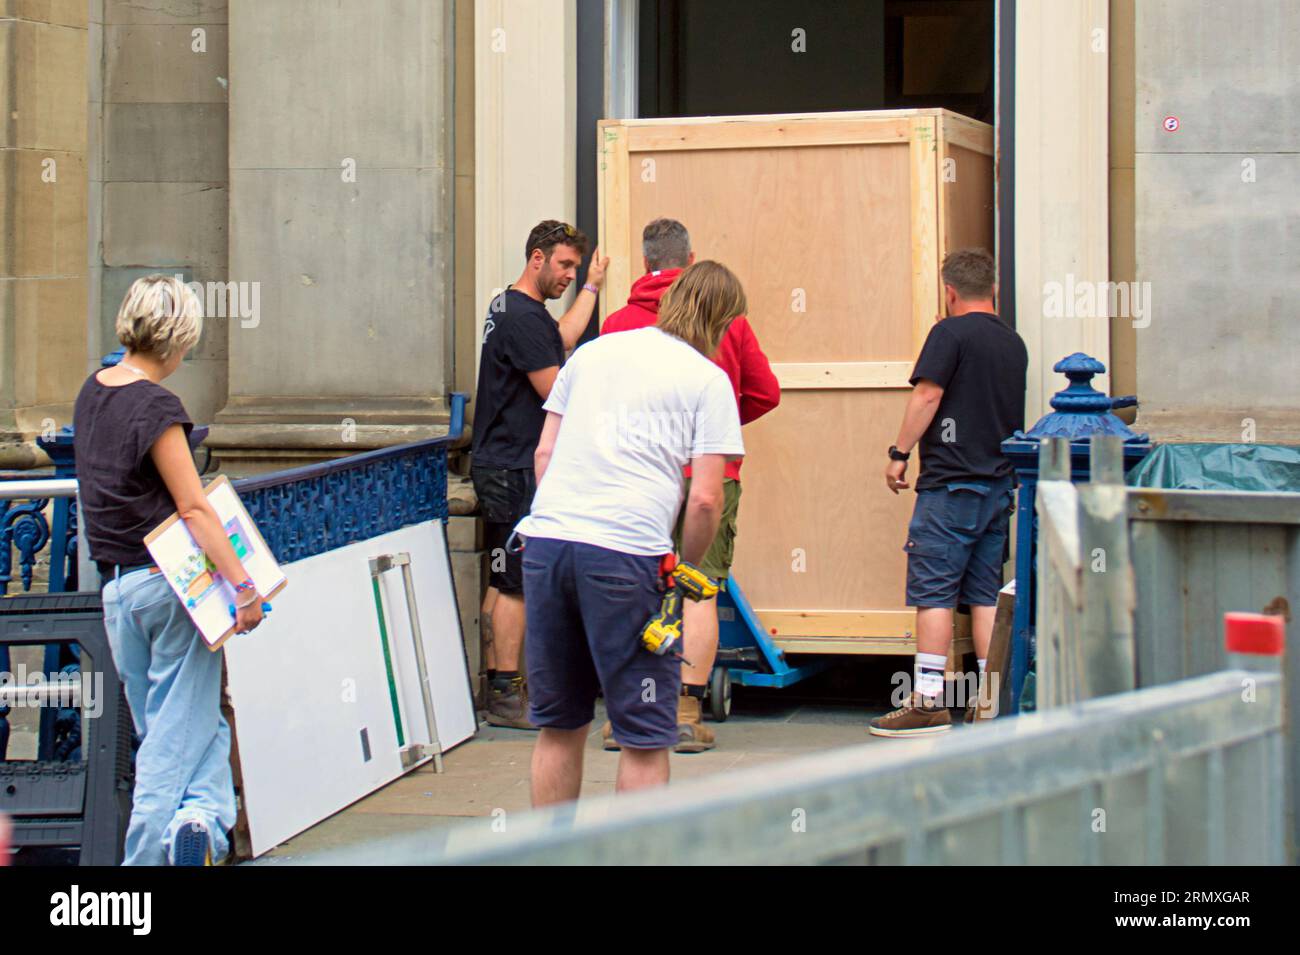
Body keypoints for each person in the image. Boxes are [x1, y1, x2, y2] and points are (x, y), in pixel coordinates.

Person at [514, 260, 746, 804]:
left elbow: (544, 452)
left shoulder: (593, 353)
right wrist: (684, 565)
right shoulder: (707, 380)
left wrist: (563, 516)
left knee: (560, 724)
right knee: (643, 736)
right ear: (724, 322)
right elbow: (707, 498)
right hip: (626, 554)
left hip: (547, 544)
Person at [73, 275, 266, 864]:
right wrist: (246, 586)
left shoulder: (92, 391)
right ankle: (140, 868)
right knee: (167, 743)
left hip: (119, 592)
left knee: (188, 723)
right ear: (178, 337)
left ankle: (202, 827)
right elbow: (194, 508)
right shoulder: (158, 406)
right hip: (172, 587)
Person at [600, 218, 779, 752]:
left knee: (637, 587)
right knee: (698, 586)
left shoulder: (617, 324)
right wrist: (715, 433)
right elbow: (765, 393)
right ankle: (684, 709)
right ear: (692, 258)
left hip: (638, 473)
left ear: (643, 260)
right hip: (709, 475)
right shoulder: (727, 322)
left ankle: (631, 711)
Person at [870, 248, 1028, 737]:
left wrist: (900, 452)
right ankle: (990, 702)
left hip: (949, 485)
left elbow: (928, 395)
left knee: (934, 590)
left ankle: (929, 702)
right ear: (993, 290)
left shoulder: (948, 333)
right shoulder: (1013, 342)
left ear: (950, 292)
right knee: (983, 593)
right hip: (998, 488)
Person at [470, 221, 609, 728]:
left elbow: (561, 338)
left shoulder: (514, 308)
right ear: (537, 259)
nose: (568, 276)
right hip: (511, 466)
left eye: (575, 267)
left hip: (500, 462)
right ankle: (507, 695)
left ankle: (500, 687)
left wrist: (593, 286)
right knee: (515, 583)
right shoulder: (524, 319)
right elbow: (556, 390)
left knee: (503, 574)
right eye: (565, 266)